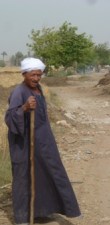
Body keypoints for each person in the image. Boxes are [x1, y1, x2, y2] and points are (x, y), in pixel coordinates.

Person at [5, 57, 81, 225]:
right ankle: (23, 217)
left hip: (43, 140)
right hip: (25, 143)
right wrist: (24, 108)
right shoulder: (19, 92)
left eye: (39, 75)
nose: (36, 78)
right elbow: (10, 118)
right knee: (24, 176)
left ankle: (41, 210)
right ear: (24, 74)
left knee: (48, 172)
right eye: (33, 75)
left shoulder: (38, 89)